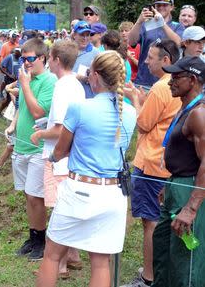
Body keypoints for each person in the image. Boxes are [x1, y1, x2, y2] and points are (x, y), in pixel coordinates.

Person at [36, 51, 136, 287]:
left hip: (81, 188)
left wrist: (52, 156)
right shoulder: (130, 113)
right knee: (101, 262)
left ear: (96, 76)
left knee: (52, 253)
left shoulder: (80, 108)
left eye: (90, 71)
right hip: (112, 193)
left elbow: (61, 150)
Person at [121, 39, 181, 287]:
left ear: (165, 60)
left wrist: (135, 100)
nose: (145, 61)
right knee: (163, 220)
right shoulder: (179, 83)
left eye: (151, 57)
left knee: (150, 221)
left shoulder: (160, 87)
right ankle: (159, 269)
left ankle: (148, 277)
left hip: (151, 163)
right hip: (169, 164)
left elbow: (144, 124)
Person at [30, 40, 85, 279]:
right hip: (71, 158)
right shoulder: (77, 85)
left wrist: (40, 133)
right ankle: (72, 256)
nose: (48, 60)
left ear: (57, 60)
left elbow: (62, 129)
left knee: (60, 211)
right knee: (67, 208)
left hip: (59, 158)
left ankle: (59, 264)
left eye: (50, 57)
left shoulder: (63, 87)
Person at [152, 56, 205, 287]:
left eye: (175, 77)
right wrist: (169, 184)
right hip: (176, 185)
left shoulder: (199, 114)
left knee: (186, 259)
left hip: (191, 189)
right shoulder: (184, 107)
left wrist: (191, 207)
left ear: (192, 80)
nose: (170, 82)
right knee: (163, 247)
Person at [6, 38, 56, 261]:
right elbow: (23, 108)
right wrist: (13, 123)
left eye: (29, 59)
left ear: (42, 58)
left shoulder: (48, 81)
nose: (25, 63)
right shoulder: (28, 79)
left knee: (36, 197)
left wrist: (24, 85)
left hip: (38, 148)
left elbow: (38, 112)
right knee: (28, 195)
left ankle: (41, 240)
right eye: (22, 59)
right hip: (22, 145)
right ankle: (33, 235)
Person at [128, 0, 184, 88]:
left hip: (168, 82)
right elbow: (131, 42)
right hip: (143, 81)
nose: (161, 7)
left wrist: (162, 24)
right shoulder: (146, 24)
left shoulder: (177, 26)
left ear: (172, 7)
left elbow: (178, 43)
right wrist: (139, 21)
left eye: (165, 5)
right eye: (158, 5)